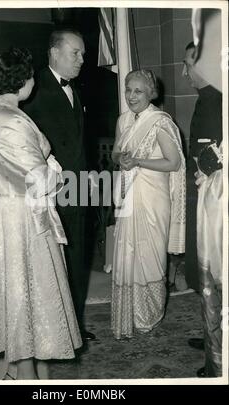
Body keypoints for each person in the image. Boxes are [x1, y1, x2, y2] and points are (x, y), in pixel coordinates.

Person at [0, 47, 82, 380]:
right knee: (26, 298)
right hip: (18, 218)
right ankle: (25, 373)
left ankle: (21, 368)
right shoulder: (11, 119)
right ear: (23, 81)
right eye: (31, 75)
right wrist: (54, 167)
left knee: (16, 296)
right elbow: (40, 179)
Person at [23, 29, 95, 341]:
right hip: (52, 193)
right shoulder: (33, 90)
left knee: (78, 256)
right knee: (54, 261)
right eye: (75, 53)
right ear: (54, 52)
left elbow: (79, 141)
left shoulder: (75, 89)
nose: (82, 59)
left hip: (78, 187)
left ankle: (75, 326)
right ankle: (56, 331)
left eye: (82, 53)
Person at [111, 69, 186, 339]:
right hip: (129, 196)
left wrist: (139, 161)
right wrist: (122, 158)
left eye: (138, 91)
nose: (131, 96)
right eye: (128, 90)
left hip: (154, 198)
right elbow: (116, 152)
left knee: (150, 256)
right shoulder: (123, 120)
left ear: (151, 93)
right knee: (129, 253)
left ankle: (150, 314)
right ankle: (129, 311)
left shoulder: (160, 122)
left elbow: (173, 162)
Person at [182, 41, 223, 377]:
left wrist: (204, 168)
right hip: (204, 193)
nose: (185, 72)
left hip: (216, 197)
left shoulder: (218, 99)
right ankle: (211, 336)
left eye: (189, 64)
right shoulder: (207, 98)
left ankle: (218, 352)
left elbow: (215, 153)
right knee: (203, 270)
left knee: (214, 271)